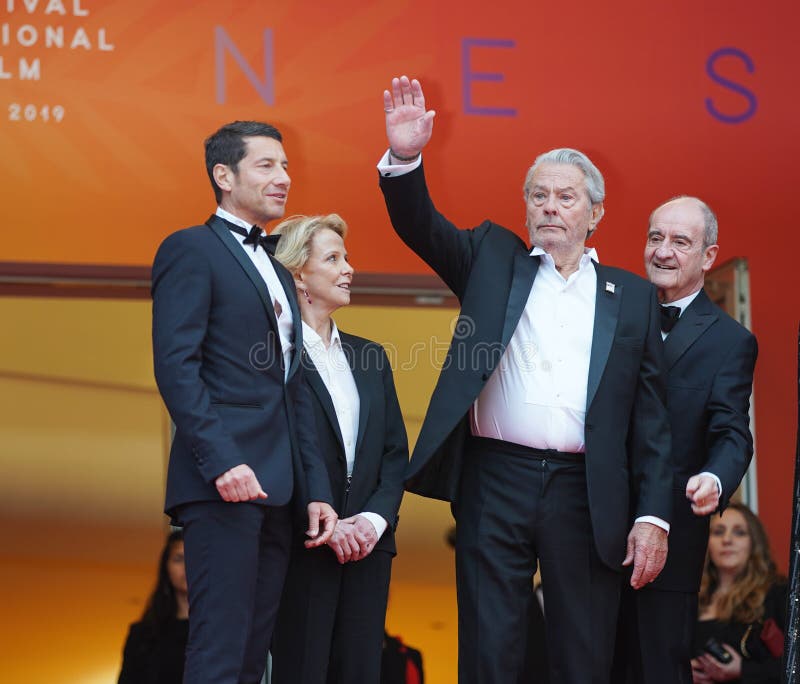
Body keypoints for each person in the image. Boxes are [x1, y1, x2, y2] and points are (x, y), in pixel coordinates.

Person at [377, 75, 673, 683]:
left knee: (584, 653)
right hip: (496, 476)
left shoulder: (634, 297)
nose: (549, 207)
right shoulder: (492, 258)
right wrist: (405, 159)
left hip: (586, 488)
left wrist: (653, 516)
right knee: (490, 647)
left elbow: (652, 421)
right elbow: (421, 227)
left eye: (565, 197)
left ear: (596, 212)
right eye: (538, 196)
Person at [151, 120, 337, 684]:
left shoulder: (280, 270)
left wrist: (316, 490)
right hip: (223, 481)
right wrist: (221, 461)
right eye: (267, 166)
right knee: (220, 651)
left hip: (279, 491)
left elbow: (293, 391)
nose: (283, 177)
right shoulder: (190, 248)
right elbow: (176, 366)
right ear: (223, 176)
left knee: (256, 656)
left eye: (285, 166)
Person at [613, 196, 758, 683]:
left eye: (681, 242)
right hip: (590, 530)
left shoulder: (730, 341)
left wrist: (715, 478)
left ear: (709, 256)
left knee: (655, 669)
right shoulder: (610, 315)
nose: (664, 252)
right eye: (656, 238)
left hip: (669, 536)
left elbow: (732, 430)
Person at [269, 214, 408, 683]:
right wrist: (328, 521)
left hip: (368, 548)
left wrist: (370, 522)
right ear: (297, 274)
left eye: (346, 257)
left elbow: (394, 454)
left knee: (361, 672)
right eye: (333, 258)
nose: (349, 268)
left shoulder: (371, 357)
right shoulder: (272, 355)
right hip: (303, 543)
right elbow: (279, 447)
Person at [691, 503, 786, 683]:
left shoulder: (778, 594)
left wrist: (743, 670)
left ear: (754, 542)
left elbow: (794, 664)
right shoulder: (692, 599)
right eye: (718, 532)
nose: (727, 540)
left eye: (739, 532)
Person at [118, 530, 188, 684]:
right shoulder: (142, 635)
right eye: (179, 558)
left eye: (196, 557)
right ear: (166, 568)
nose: (187, 565)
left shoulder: (224, 631)